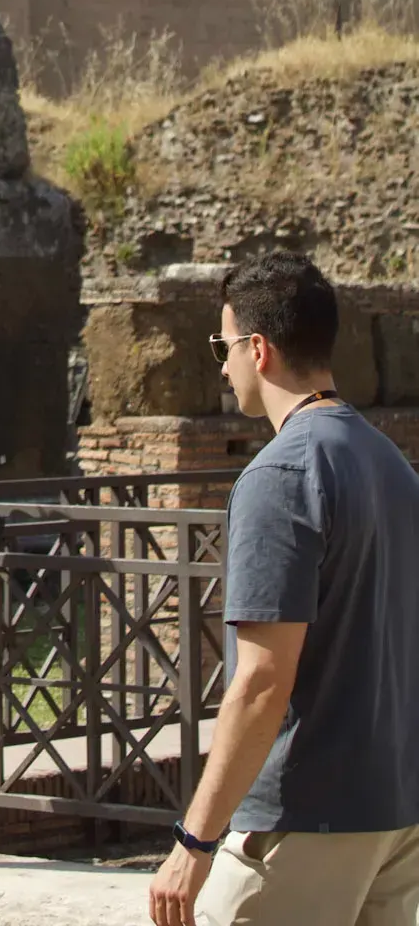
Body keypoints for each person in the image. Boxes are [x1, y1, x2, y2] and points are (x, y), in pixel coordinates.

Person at [148, 252, 419, 926]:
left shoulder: (279, 475)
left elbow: (262, 682)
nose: (220, 364)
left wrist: (195, 839)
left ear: (257, 348)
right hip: (395, 813)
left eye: (223, 345)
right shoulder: (390, 463)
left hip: (304, 816)